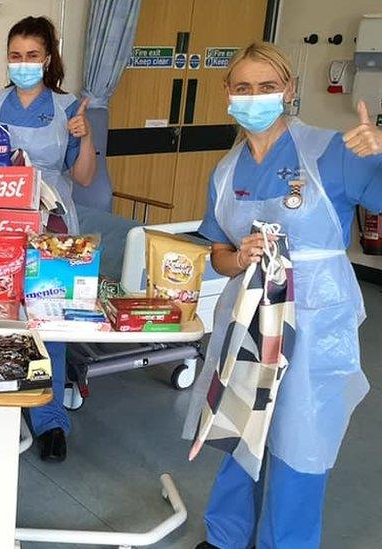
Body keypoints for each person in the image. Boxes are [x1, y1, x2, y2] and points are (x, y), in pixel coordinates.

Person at [185, 42, 382, 549]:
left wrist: (381, 152)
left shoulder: (331, 150)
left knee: (300, 440)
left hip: (313, 321)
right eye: (244, 88)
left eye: (268, 87)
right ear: (227, 94)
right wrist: (241, 256)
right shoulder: (224, 173)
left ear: (289, 90)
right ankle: (227, 536)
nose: (256, 98)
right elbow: (219, 256)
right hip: (248, 317)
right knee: (237, 427)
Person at [0, 16, 97, 462]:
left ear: (47, 58)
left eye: (32, 55)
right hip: (0, 218)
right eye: (15, 56)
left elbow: (83, 176)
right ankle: (0, 398)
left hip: (52, 221)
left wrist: (87, 136)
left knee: (49, 320)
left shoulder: (68, 108)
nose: (23, 63)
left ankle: (50, 419)